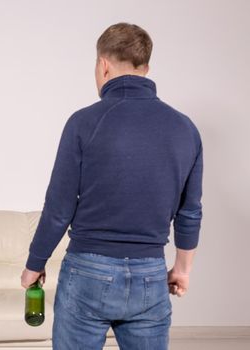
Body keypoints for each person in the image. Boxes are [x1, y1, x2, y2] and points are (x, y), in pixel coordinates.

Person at [21, 23, 202, 350]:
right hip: (151, 271)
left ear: (103, 64)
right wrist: (183, 269)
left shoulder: (83, 122)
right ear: (145, 68)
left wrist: (35, 264)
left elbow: (60, 207)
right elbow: (189, 212)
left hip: (88, 270)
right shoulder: (184, 128)